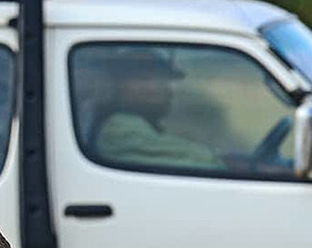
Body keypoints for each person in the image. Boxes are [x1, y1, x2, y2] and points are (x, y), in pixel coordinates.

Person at [92, 50, 223, 170]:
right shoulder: (121, 129)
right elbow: (207, 165)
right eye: (146, 79)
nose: (167, 91)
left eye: (165, 82)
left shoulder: (140, 126)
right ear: (120, 85)